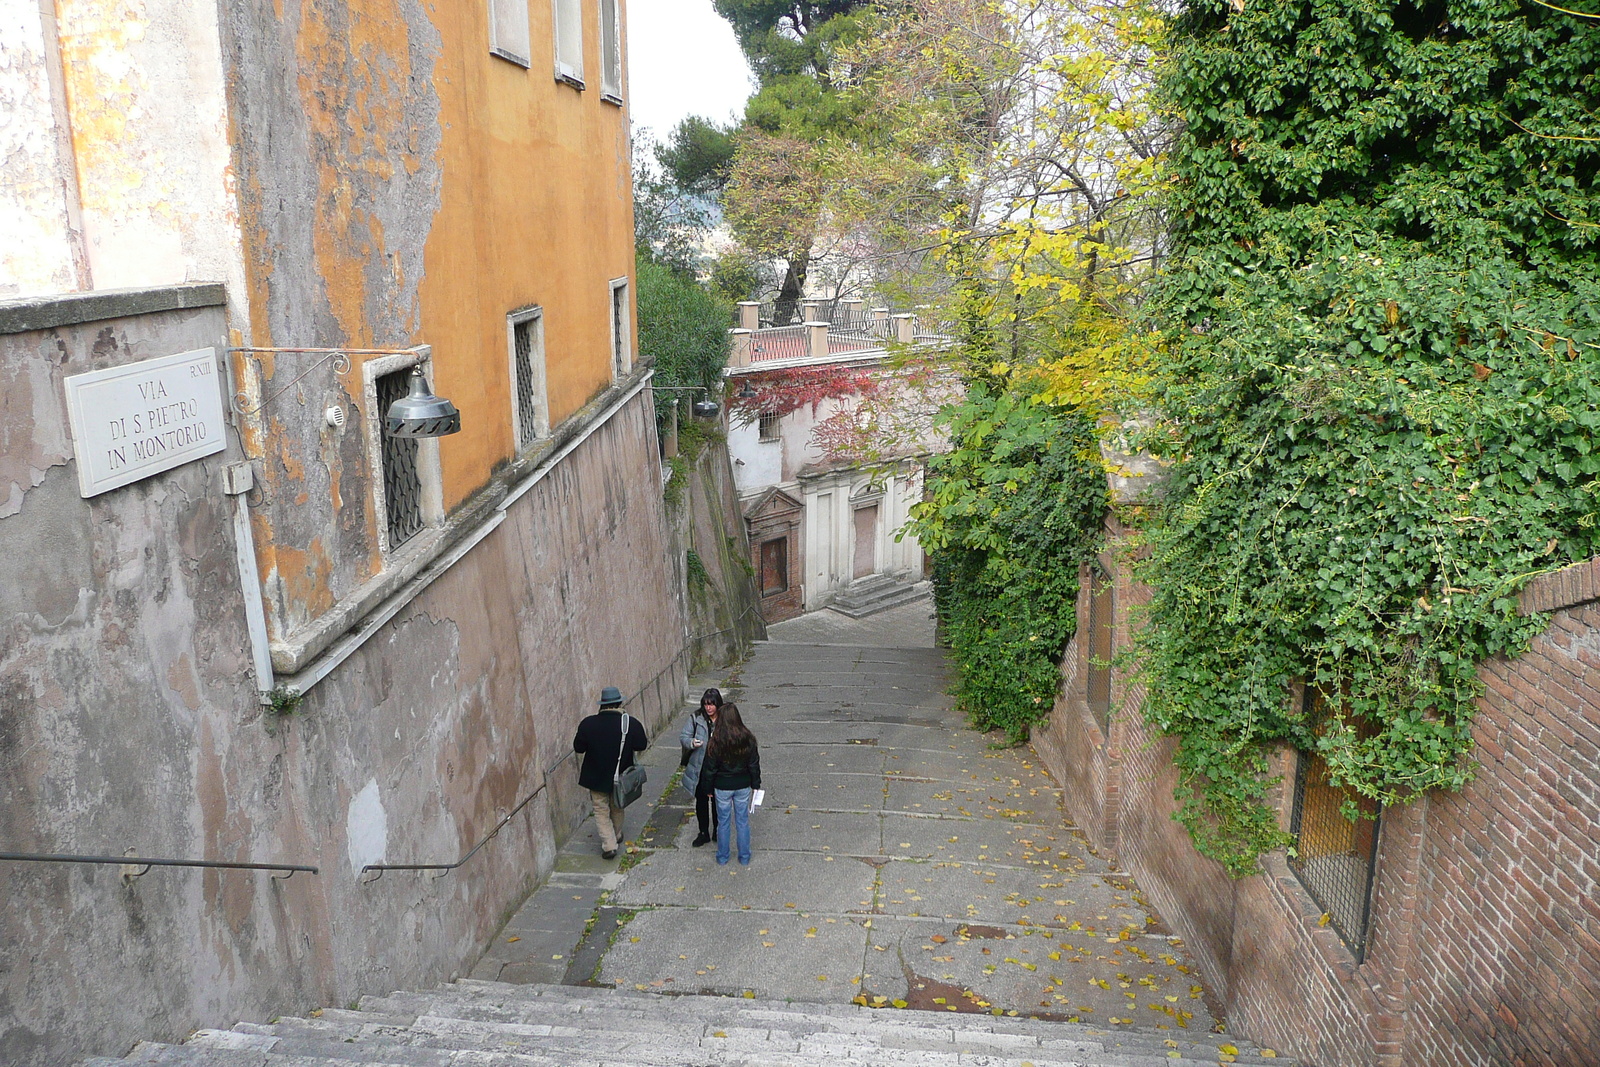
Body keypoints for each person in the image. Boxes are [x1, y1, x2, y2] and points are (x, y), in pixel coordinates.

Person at [572, 685, 647, 859]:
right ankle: (618, 834)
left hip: (596, 777)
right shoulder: (630, 723)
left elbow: (579, 748)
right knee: (617, 806)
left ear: (602, 704)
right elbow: (641, 745)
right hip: (620, 776)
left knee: (600, 810)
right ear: (619, 703)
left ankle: (609, 845)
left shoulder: (588, 724)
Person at [700, 702, 761, 866]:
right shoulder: (748, 739)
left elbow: (709, 768)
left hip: (722, 786)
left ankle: (722, 856)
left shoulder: (716, 741)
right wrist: (756, 784)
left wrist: (708, 788)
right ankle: (744, 857)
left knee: (723, 822)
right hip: (742, 785)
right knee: (742, 821)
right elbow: (753, 764)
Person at [680, 688, 721, 847]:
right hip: (700, 767)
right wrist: (692, 743)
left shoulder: (724, 719)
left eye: (711, 704)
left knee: (718, 802)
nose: (708, 708)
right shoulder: (696, 718)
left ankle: (717, 830)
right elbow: (684, 736)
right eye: (706, 704)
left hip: (718, 767)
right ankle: (703, 832)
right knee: (701, 801)